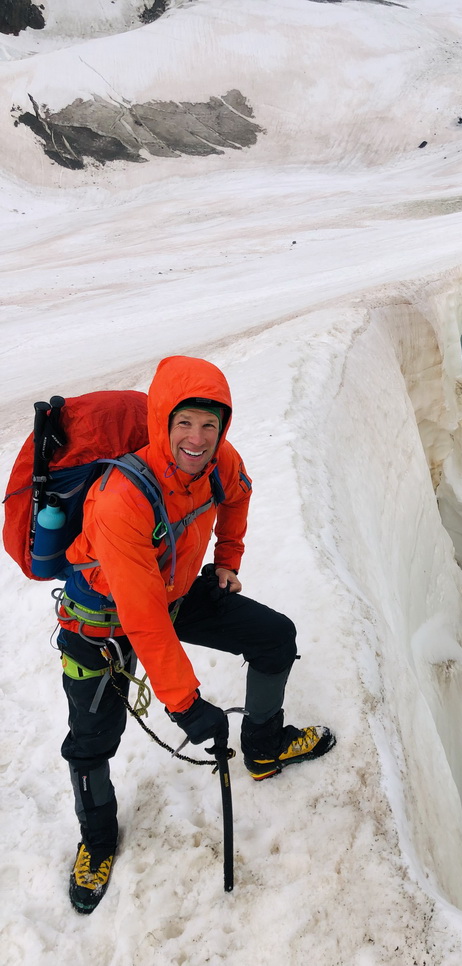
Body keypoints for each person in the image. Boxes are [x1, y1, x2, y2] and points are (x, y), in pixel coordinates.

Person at [56, 355, 335, 914]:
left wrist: (227, 560)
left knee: (274, 638)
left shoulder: (219, 461)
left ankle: (262, 747)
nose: (197, 438)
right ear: (163, 421)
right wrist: (186, 706)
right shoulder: (121, 499)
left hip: (176, 592)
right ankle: (99, 841)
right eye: (184, 423)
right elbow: (143, 618)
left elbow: (239, 495)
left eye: (210, 425)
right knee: (90, 741)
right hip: (102, 619)